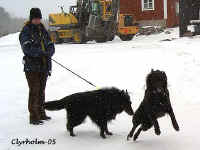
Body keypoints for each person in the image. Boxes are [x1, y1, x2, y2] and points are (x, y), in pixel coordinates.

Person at [19, 8, 55, 125]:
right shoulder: (26, 31)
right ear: (31, 18)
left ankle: (41, 112)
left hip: (43, 66)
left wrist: (50, 51)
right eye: (35, 18)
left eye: (39, 18)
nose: (37, 20)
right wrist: (40, 53)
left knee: (41, 90)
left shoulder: (43, 30)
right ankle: (33, 116)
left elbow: (50, 44)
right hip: (31, 67)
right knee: (34, 90)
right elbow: (27, 48)